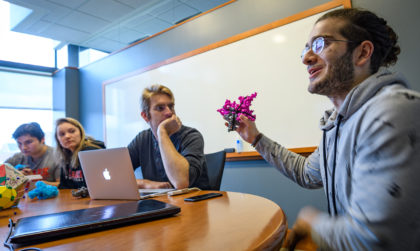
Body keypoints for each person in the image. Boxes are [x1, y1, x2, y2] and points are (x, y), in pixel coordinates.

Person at [231, 8, 420, 250]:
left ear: (362, 53)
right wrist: (255, 138)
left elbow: (374, 238)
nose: (306, 58)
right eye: (306, 48)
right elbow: (308, 174)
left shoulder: (393, 109)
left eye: (320, 44)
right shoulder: (336, 123)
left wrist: (313, 223)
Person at [128, 84, 210, 190]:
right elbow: (117, 175)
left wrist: (162, 132)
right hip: (159, 203)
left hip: (194, 204)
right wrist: (144, 183)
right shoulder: (142, 139)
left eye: (171, 106)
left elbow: (180, 182)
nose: (169, 112)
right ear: (145, 116)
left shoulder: (192, 136)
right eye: (160, 108)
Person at [55, 117, 105, 189]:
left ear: (81, 133)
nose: (67, 136)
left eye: (72, 131)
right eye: (62, 134)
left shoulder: (91, 152)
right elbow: (64, 187)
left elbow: (95, 187)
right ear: (58, 139)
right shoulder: (65, 157)